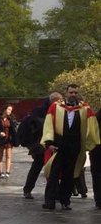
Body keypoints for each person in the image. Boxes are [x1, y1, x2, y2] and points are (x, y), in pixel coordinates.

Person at [41, 83, 100, 211]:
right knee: (53, 174)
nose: (73, 94)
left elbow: (92, 127)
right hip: (59, 146)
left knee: (69, 175)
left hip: (75, 146)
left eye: (75, 93)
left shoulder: (85, 109)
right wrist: (49, 143)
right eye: (71, 92)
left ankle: (65, 201)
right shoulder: (56, 107)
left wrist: (90, 144)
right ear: (66, 93)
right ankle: (50, 201)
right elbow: (48, 124)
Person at [20, 93, 62, 199]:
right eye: (57, 101)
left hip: (54, 143)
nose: (59, 103)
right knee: (36, 167)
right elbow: (36, 126)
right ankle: (27, 189)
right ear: (51, 101)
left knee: (54, 169)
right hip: (41, 144)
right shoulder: (40, 111)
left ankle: (55, 192)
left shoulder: (60, 111)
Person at [0, 104, 18, 179]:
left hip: (9, 140)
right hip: (0, 140)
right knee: (0, 156)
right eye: (9, 109)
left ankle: (7, 172)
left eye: (11, 110)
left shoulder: (11, 119)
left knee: (8, 156)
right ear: (5, 109)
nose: (10, 111)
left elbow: (15, 128)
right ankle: (0, 173)